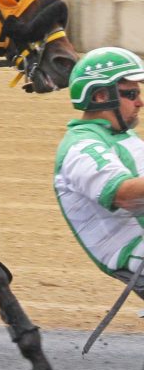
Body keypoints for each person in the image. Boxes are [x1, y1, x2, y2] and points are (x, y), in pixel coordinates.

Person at [55, 45, 144, 301]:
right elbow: (124, 194)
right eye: (131, 94)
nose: (140, 102)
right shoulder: (81, 148)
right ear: (102, 96)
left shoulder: (120, 136)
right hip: (134, 256)